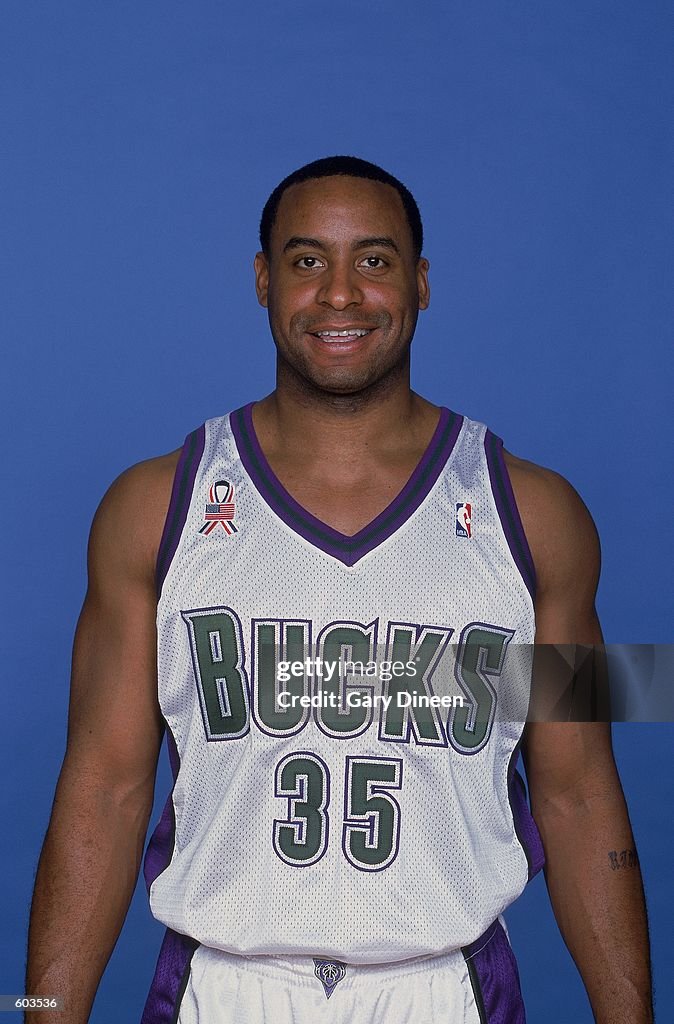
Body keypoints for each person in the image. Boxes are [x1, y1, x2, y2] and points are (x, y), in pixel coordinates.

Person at [26, 156, 653, 1024]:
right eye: (307, 260)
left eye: (376, 260)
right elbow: (101, 788)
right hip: (223, 983)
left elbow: (579, 792)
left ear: (422, 283)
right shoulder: (152, 508)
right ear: (262, 280)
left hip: (447, 985)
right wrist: (41, 1011)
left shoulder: (538, 515)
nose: (341, 296)